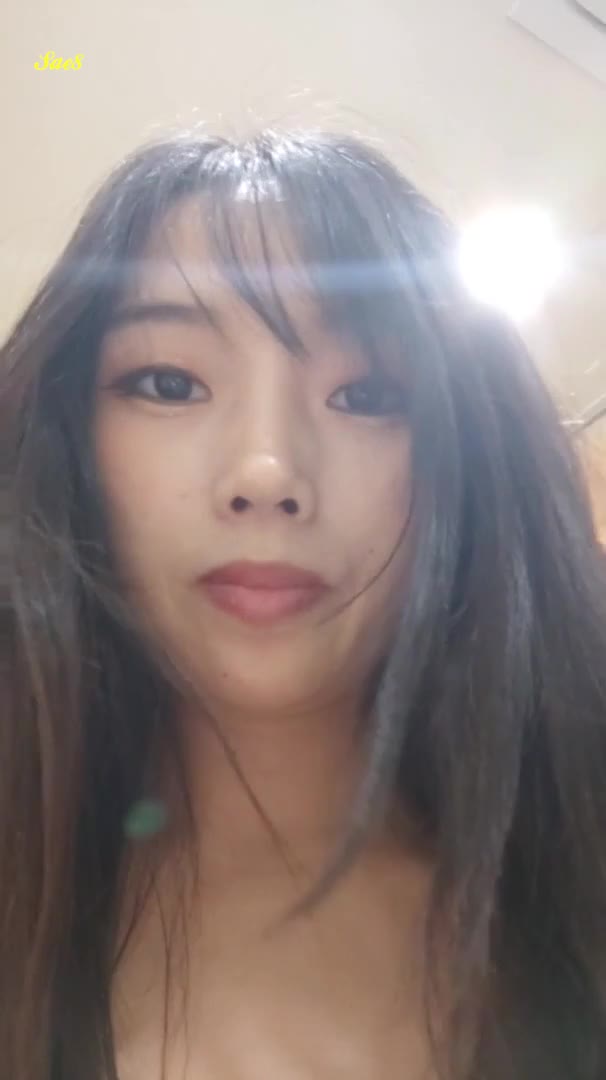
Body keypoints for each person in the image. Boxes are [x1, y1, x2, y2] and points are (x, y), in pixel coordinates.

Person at [1, 128, 605, 1080]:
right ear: (71, 438)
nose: (268, 471)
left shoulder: (572, 905)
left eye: (367, 395)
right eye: (170, 383)